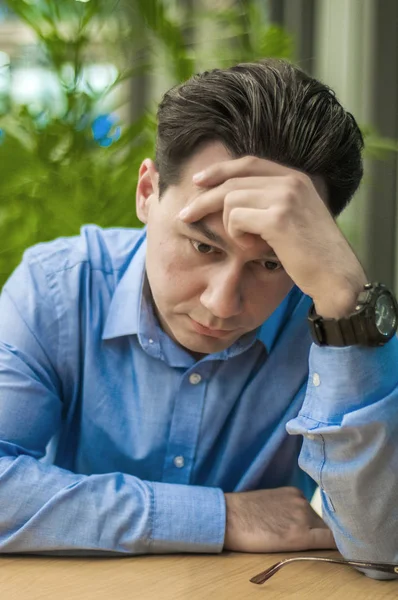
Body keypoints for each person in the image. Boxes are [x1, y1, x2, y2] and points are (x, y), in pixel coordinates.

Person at [0, 59, 397, 578]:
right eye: (203, 246)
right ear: (147, 192)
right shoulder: (56, 290)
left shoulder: (333, 319)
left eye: (270, 263)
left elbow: (383, 548)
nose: (222, 303)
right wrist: (220, 516)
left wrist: (347, 308)